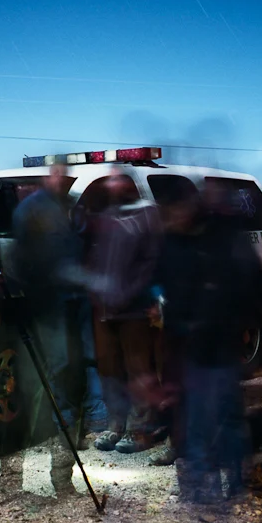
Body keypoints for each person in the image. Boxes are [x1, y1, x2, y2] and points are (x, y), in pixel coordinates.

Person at [154, 181, 262, 506]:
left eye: (175, 211)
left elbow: (244, 283)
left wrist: (236, 323)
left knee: (217, 417)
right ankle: (207, 488)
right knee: (201, 417)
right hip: (191, 344)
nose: (172, 218)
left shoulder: (221, 235)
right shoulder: (175, 241)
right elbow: (165, 282)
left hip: (217, 341)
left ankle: (229, 484)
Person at [10, 163, 91, 498]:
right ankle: (59, 466)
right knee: (58, 373)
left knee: (72, 371)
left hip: (70, 300)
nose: (63, 179)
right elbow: (24, 258)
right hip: (49, 303)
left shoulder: (64, 207)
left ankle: (64, 448)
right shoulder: (32, 210)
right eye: (58, 174)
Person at [87, 172, 163, 454]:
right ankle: (115, 423)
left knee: (138, 369)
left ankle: (140, 429)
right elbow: (95, 257)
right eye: (110, 185)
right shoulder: (107, 216)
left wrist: (130, 294)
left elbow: (151, 261)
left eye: (119, 183)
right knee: (109, 368)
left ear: (131, 186)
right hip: (104, 308)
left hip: (133, 308)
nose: (113, 188)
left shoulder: (147, 215)